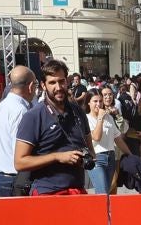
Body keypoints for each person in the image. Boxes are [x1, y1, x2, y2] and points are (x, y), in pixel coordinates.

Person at [14, 59, 90, 195]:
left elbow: (90, 147)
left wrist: (86, 156)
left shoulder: (77, 111)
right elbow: (19, 162)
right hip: (47, 192)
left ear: (67, 82)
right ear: (43, 85)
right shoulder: (33, 116)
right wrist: (57, 157)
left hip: (77, 190)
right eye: (52, 83)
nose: (58, 87)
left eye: (61, 81)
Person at [0, 65, 38, 197]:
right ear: (31, 86)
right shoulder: (21, 111)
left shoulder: (2, 106)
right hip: (15, 180)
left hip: (2, 177)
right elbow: (22, 150)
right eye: (36, 85)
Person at [86, 87, 123, 195]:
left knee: (109, 191)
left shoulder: (109, 118)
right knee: (102, 193)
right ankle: (100, 211)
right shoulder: (86, 118)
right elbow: (96, 137)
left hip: (111, 157)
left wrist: (130, 154)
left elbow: (118, 138)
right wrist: (100, 118)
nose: (99, 104)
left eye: (100, 101)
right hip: (96, 158)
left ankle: (107, 212)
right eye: (95, 101)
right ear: (89, 103)